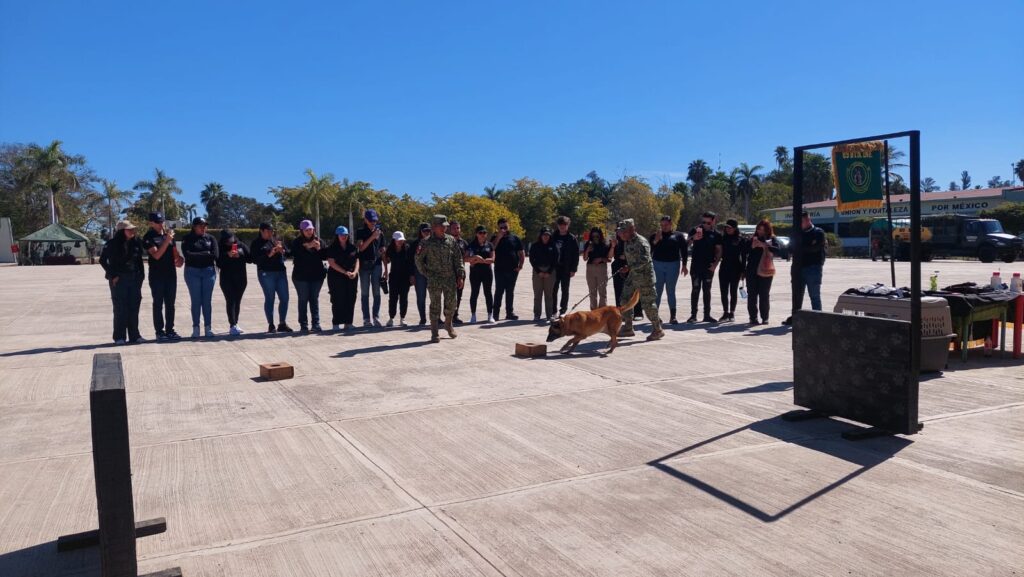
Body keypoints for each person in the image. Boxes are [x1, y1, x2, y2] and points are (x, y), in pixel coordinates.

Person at [415, 214, 466, 343]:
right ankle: (434, 332)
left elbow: (458, 258)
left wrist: (460, 275)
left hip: (450, 278)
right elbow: (418, 259)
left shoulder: (451, 240)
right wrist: (426, 273)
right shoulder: (426, 242)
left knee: (451, 304)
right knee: (435, 306)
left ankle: (448, 325)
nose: (444, 228)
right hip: (434, 279)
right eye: (442, 226)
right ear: (434, 227)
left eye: (445, 226)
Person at [99, 220, 145, 344]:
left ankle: (135, 336)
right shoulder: (112, 244)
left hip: (134, 279)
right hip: (118, 280)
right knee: (120, 308)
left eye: (133, 229)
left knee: (134, 307)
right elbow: (103, 260)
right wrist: (112, 275)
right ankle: (119, 337)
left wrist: (141, 276)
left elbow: (139, 261)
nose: (132, 231)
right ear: (121, 231)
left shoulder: (136, 243)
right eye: (129, 229)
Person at [618, 219, 664, 341]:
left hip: (645, 278)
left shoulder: (641, 242)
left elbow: (645, 260)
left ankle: (657, 329)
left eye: (623, 231)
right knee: (624, 300)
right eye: (620, 231)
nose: (620, 234)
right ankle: (628, 328)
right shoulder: (627, 241)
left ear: (631, 230)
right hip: (633, 276)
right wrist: (628, 267)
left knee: (648, 304)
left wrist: (630, 267)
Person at [141, 211, 184, 341]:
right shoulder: (148, 237)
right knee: (158, 303)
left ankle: (170, 330)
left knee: (170, 304)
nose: (161, 224)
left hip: (170, 275)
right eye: (158, 222)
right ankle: (159, 331)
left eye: (162, 222)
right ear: (151, 223)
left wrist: (179, 259)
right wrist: (167, 241)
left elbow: (174, 254)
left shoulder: (168, 236)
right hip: (157, 276)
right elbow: (156, 255)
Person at [783, 212, 827, 326]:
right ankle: (796, 316)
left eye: (801, 222)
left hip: (813, 268)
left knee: (814, 295)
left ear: (808, 220)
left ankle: (817, 319)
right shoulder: (796, 234)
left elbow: (815, 248)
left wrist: (800, 248)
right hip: (797, 268)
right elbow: (790, 249)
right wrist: (803, 247)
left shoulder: (818, 232)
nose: (798, 225)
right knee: (797, 295)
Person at [251, 222, 292, 333]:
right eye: (268, 231)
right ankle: (271, 324)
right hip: (266, 273)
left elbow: (289, 253)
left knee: (285, 298)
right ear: (261, 231)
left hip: (280, 272)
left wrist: (282, 250)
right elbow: (254, 259)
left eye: (271, 231)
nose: (270, 233)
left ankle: (282, 323)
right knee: (270, 298)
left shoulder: (275, 241)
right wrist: (269, 254)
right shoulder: (256, 243)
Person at [181, 217, 219, 338]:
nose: (203, 228)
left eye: (205, 226)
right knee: (196, 300)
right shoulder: (187, 239)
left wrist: (198, 255)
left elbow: (215, 255)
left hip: (208, 272)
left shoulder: (211, 238)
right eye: (201, 226)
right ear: (194, 226)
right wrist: (205, 254)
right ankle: (196, 327)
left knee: (207, 301)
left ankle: (208, 328)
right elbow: (188, 255)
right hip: (192, 272)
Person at [685, 211, 722, 324]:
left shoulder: (716, 235)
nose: (705, 224)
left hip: (708, 267)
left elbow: (719, 251)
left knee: (707, 291)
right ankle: (693, 315)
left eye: (708, 222)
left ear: (714, 221)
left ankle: (707, 315)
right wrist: (693, 239)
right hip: (696, 266)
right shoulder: (694, 230)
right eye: (703, 222)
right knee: (695, 290)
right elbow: (685, 245)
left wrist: (715, 265)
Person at [290, 219, 326, 333]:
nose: (309, 232)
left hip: (317, 276)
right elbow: (296, 254)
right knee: (303, 299)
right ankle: (303, 325)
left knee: (314, 300)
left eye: (311, 229)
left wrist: (319, 248)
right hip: (300, 277)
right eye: (307, 230)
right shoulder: (297, 242)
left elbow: (325, 256)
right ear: (302, 231)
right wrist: (309, 246)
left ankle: (316, 324)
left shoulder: (319, 241)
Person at [650, 215, 687, 324]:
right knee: (658, 290)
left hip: (673, 265)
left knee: (671, 291)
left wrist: (684, 265)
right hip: (658, 265)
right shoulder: (654, 235)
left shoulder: (678, 236)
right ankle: (655, 317)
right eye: (662, 225)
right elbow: (649, 250)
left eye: (666, 225)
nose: (664, 227)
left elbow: (684, 251)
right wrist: (656, 240)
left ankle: (673, 316)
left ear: (671, 224)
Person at [743, 219, 781, 325]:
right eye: (759, 229)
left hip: (766, 270)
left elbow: (778, 250)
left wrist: (765, 245)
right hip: (751, 270)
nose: (760, 232)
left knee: (764, 294)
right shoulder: (752, 239)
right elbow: (743, 251)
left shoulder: (772, 239)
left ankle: (765, 317)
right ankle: (753, 317)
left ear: (768, 230)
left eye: (763, 230)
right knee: (752, 295)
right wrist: (752, 246)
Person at [355, 209, 385, 327]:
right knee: (365, 293)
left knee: (377, 292)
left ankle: (376, 317)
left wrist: (383, 250)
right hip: (364, 265)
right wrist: (372, 237)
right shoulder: (360, 232)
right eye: (371, 220)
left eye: (375, 220)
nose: (373, 222)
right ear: (365, 220)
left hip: (376, 264)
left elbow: (382, 248)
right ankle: (366, 319)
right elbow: (361, 248)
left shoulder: (379, 232)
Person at [217, 229, 250, 336]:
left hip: (241, 278)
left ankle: (236, 323)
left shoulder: (240, 244)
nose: (229, 242)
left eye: (230, 239)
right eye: (227, 241)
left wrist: (240, 254)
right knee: (230, 300)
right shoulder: (220, 246)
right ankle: (232, 325)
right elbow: (218, 262)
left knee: (237, 301)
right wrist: (228, 255)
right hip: (226, 279)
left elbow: (250, 258)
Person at [326, 226, 359, 331]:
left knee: (351, 298)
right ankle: (336, 323)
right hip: (336, 277)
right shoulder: (332, 248)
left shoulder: (352, 247)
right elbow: (331, 263)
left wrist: (355, 272)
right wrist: (345, 272)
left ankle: (348, 322)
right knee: (337, 299)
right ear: (337, 236)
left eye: (345, 234)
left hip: (351, 276)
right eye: (341, 234)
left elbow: (357, 260)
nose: (343, 236)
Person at [491, 217, 525, 321]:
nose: (504, 229)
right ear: (498, 228)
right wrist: (499, 237)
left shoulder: (515, 238)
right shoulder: (494, 238)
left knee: (510, 292)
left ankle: (509, 313)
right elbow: (491, 248)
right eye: (501, 227)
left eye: (505, 227)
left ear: (508, 226)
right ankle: (495, 314)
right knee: (499, 291)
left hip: (513, 270)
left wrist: (521, 265)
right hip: (499, 269)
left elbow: (521, 252)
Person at [612, 224, 643, 320]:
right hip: (618, 267)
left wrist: (626, 258)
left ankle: (638, 313)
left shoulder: (632, 241)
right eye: (617, 231)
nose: (619, 233)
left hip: (631, 267)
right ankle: (620, 313)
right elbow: (613, 255)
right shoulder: (616, 241)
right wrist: (613, 246)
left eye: (620, 231)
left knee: (634, 290)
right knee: (619, 291)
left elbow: (638, 256)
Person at [466, 225, 495, 323]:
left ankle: (490, 315)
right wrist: (475, 257)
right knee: (474, 293)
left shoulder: (489, 245)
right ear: (476, 234)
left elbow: (492, 259)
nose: (482, 235)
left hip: (487, 272)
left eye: (484, 233)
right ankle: (473, 315)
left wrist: (479, 260)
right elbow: (466, 258)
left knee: (488, 293)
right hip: (475, 273)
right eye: (480, 233)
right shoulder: (471, 245)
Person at [551, 216, 579, 316]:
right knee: (553, 290)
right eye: (560, 225)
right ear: (557, 225)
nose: (562, 227)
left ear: (568, 225)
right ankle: (553, 310)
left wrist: (574, 269)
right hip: (554, 268)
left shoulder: (572, 238)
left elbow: (576, 255)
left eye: (564, 225)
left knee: (565, 289)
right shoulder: (553, 237)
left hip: (566, 268)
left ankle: (563, 310)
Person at [529, 227, 559, 322]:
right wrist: (538, 271)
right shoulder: (535, 245)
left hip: (550, 272)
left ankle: (549, 315)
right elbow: (531, 259)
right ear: (541, 236)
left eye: (547, 235)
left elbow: (556, 260)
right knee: (537, 294)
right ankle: (537, 314)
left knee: (549, 295)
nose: (546, 237)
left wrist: (549, 272)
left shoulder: (554, 246)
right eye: (544, 235)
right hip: (538, 271)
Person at [383, 231, 412, 327]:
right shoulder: (390, 249)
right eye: (398, 240)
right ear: (394, 240)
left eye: (402, 240)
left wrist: (412, 276)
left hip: (405, 277)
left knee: (404, 298)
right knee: (393, 298)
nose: (400, 242)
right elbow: (386, 260)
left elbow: (411, 263)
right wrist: (386, 271)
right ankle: (391, 318)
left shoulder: (407, 248)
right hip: (394, 276)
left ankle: (402, 318)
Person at [718, 219, 745, 322]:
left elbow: (743, 256)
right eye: (726, 227)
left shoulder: (740, 239)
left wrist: (743, 270)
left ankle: (732, 313)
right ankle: (725, 312)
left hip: (736, 268)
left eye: (730, 227)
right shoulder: (722, 238)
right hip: (724, 267)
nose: (727, 229)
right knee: (723, 292)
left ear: (735, 228)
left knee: (733, 291)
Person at [408, 223, 432, 325]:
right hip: (419, 273)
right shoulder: (414, 244)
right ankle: (423, 318)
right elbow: (409, 261)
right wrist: (411, 275)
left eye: (428, 230)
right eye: (424, 231)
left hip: (432, 273)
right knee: (421, 297)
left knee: (435, 297)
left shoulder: (434, 242)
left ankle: (436, 318)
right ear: (420, 232)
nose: (427, 233)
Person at [582, 227, 610, 309]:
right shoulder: (588, 244)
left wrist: (601, 259)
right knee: (592, 292)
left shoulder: (605, 244)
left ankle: (602, 312)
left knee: (602, 292)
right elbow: (584, 258)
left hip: (602, 268)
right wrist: (587, 251)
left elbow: (609, 259)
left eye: (597, 236)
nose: (595, 238)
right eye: (593, 236)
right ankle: (593, 312)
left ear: (600, 236)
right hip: (590, 268)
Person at [448, 220, 469, 324]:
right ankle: (447, 316)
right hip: (448, 273)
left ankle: (455, 316)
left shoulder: (463, 243)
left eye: (458, 228)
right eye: (454, 228)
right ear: (449, 229)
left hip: (460, 273)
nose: (456, 230)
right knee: (448, 295)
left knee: (458, 295)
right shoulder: (445, 241)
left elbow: (466, 257)